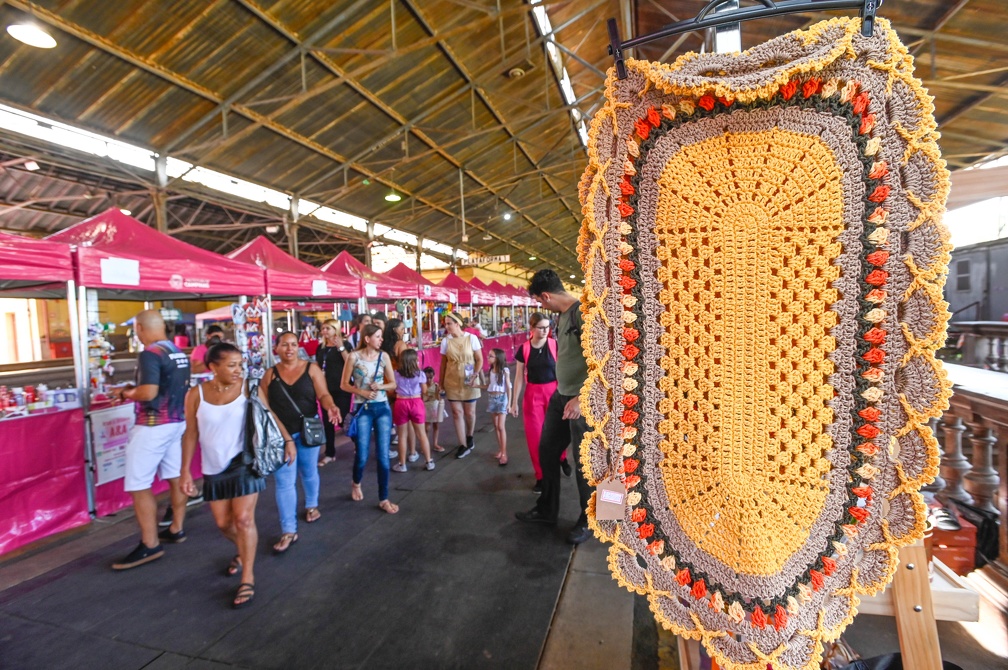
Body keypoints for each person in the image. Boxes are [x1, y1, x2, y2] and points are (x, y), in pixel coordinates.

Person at [179, 343, 292, 608]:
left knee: (242, 520)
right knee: (222, 524)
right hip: (213, 468)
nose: (238, 370)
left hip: (244, 462)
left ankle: (248, 576)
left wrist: (288, 440)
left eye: (240, 364)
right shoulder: (196, 394)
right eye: (231, 365)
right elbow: (191, 433)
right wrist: (184, 471)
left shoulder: (249, 388)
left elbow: (269, 415)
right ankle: (244, 549)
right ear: (213, 368)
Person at [515, 269, 594, 545]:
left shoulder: (584, 313)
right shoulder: (562, 316)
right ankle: (547, 510)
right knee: (547, 450)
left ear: (546, 296)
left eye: (540, 301)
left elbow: (610, 360)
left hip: (582, 401)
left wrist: (583, 398)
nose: (541, 306)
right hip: (560, 397)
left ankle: (588, 520)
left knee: (585, 464)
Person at [109, 310, 191, 570]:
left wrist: (125, 393)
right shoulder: (177, 352)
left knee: (138, 484)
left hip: (153, 425)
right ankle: (176, 527)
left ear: (141, 328)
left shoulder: (150, 353)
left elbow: (148, 392)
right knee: (173, 475)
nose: (136, 333)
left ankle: (150, 543)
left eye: (136, 328)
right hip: (176, 422)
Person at [263, 331, 342, 553]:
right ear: (275, 349)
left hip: (308, 431)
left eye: (293, 344)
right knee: (284, 482)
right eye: (284, 344)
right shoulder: (270, 375)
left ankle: (311, 505)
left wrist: (330, 406)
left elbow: (323, 395)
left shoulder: (311, 369)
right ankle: (289, 530)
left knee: (308, 471)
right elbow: (265, 408)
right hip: (281, 436)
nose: (289, 348)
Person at [340, 324, 399, 514]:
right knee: (362, 455)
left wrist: (380, 387)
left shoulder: (385, 357)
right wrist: (361, 391)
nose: (381, 340)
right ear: (367, 339)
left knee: (383, 457)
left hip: (382, 408)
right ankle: (356, 482)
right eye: (378, 336)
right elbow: (344, 384)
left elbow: (393, 383)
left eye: (381, 337)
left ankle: (384, 498)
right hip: (362, 408)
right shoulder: (353, 357)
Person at [509, 312, 571, 493]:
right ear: (532, 328)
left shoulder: (555, 345)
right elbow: (519, 377)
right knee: (535, 439)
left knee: (557, 432)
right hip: (533, 395)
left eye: (547, 327)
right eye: (541, 327)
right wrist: (514, 402)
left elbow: (563, 371)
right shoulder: (524, 349)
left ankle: (562, 457)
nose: (545, 331)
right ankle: (540, 477)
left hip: (555, 393)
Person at [439, 312, 483, 459]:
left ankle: (469, 435)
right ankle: (462, 444)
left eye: (449, 323)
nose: (447, 326)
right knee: (457, 413)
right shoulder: (446, 341)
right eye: (446, 323)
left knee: (469, 412)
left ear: (457, 324)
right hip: (451, 379)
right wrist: (441, 383)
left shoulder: (472, 338)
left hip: (469, 378)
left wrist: (475, 374)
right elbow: (443, 364)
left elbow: (479, 359)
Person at [315, 319, 353, 467]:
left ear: (335, 329)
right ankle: (330, 453)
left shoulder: (346, 345)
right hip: (326, 389)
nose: (324, 331)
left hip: (342, 388)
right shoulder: (321, 348)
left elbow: (350, 362)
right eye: (323, 329)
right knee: (328, 421)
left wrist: (341, 348)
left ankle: (357, 441)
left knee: (343, 419)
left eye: (328, 328)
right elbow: (318, 366)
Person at [391, 348, 434, 472]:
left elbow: (393, 388)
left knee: (402, 435)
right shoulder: (420, 374)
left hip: (401, 402)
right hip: (416, 402)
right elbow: (424, 390)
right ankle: (429, 461)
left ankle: (402, 464)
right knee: (421, 434)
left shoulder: (396, 374)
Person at [484, 348, 511, 466]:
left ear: (497, 358)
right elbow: (489, 385)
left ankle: (504, 453)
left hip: (502, 399)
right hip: (492, 398)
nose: (488, 358)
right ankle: (501, 450)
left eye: (491, 356)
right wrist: (475, 385)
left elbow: (508, 387)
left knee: (501, 426)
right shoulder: (491, 370)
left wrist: (509, 403)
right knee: (496, 426)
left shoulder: (504, 370)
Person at [422, 366, 445, 453]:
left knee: (436, 426)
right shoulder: (422, 386)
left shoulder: (436, 385)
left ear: (434, 376)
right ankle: (425, 444)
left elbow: (438, 398)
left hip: (435, 407)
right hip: (426, 407)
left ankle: (435, 444)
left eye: (430, 377)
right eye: (427, 378)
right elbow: (421, 397)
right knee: (426, 427)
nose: (429, 380)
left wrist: (438, 393)